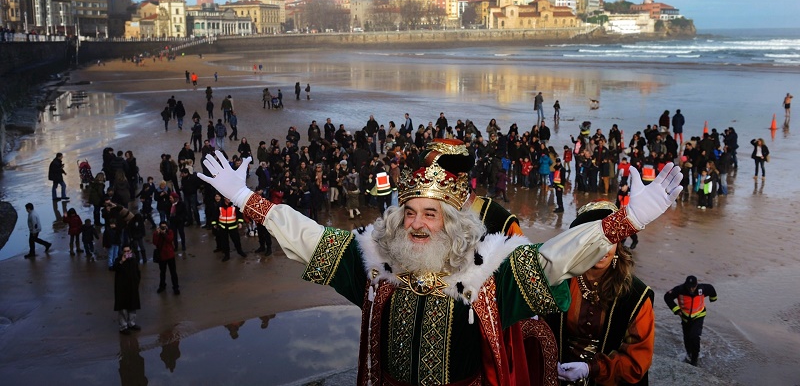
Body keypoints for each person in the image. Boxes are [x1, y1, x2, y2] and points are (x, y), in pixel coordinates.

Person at [198, 140, 682, 385]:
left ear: (453, 222)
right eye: (410, 212)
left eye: (431, 213)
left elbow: (557, 259)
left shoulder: (489, 275)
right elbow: (308, 239)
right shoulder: (375, 268)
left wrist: (627, 220)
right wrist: (246, 198)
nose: (417, 224)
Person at [546, 201, 655, 385]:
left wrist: (591, 369)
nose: (601, 248)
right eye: (594, 240)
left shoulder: (637, 296)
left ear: (619, 244)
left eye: (609, 240)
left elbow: (637, 361)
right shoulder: (559, 279)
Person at [664, 275, 718, 366]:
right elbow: (667, 297)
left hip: (699, 316)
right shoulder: (679, 289)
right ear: (686, 285)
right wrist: (676, 310)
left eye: (693, 287)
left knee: (695, 336)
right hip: (685, 317)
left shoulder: (703, 288)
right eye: (689, 287)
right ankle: (689, 353)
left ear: (696, 285)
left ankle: (694, 359)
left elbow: (712, 289)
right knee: (687, 337)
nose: (691, 289)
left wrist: (713, 299)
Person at [114, 245, 142, 334]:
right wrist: (122, 261)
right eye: (125, 251)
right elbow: (114, 268)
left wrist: (137, 281)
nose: (127, 253)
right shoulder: (119, 260)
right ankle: (123, 327)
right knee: (123, 308)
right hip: (122, 288)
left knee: (132, 306)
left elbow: (137, 271)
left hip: (132, 286)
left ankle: (132, 323)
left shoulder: (133, 259)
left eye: (128, 251)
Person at [212, 196, 247, 261]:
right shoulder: (219, 205)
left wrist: (240, 222)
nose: (229, 199)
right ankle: (226, 255)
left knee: (236, 240)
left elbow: (239, 215)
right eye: (228, 198)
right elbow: (215, 215)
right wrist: (214, 223)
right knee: (224, 242)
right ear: (224, 198)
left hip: (233, 227)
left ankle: (240, 251)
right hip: (222, 227)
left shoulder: (235, 206)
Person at [153, 222, 180, 295]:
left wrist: (164, 233)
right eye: (162, 227)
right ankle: (162, 285)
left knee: (173, 272)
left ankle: (175, 287)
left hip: (170, 255)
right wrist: (157, 234)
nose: (163, 228)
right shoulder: (157, 233)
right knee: (162, 272)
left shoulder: (170, 232)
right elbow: (155, 242)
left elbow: (169, 239)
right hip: (162, 256)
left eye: (164, 227)